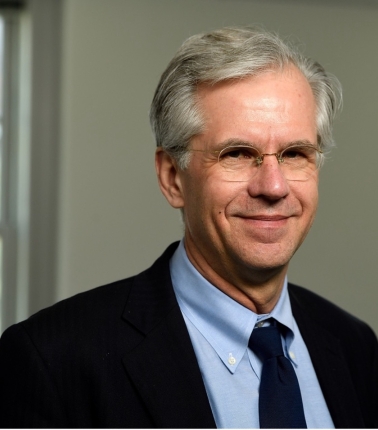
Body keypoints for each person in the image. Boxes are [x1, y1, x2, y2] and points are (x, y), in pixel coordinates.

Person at [0, 26, 377, 429]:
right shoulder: (53, 360)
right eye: (237, 153)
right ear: (172, 178)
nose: (273, 186)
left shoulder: (357, 348)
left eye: (295, 153)